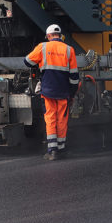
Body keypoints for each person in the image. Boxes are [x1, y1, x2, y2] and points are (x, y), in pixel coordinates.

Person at [24, 24, 79, 160]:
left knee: (50, 119)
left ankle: (52, 151)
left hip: (48, 90)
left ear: (49, 36)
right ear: (60, 36)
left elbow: (27, 62)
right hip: (63, 91)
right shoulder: (69, 50)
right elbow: (74, 76)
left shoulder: (43, 47)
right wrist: (72, 93)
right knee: (62, 120)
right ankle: (61, 149)